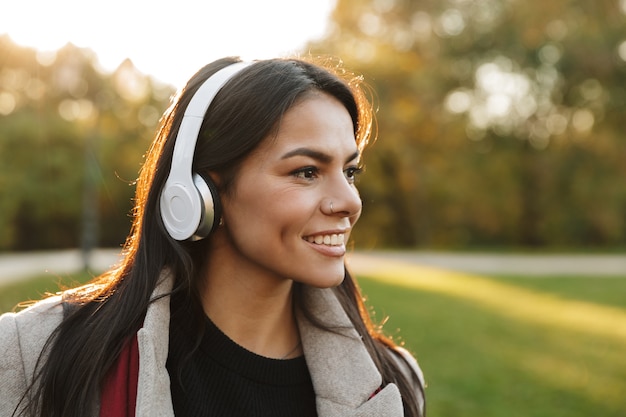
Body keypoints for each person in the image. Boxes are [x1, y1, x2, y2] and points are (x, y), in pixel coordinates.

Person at [0, 56, 425, 417]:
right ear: (200, 193)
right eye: (307, 172)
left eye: (349, 172)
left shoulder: (397, 381)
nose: (349, 202)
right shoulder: (38, 352)